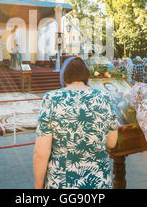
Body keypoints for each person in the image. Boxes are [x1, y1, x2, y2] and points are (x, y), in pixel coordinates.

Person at [33, 57, 118, 189]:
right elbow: (112, 143)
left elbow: (40, 153)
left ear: (65, 77)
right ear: (86, 77)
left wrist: (38, 187)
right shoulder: (104, 98)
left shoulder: (51, 99)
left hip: (62, 181)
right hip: (99, 181)